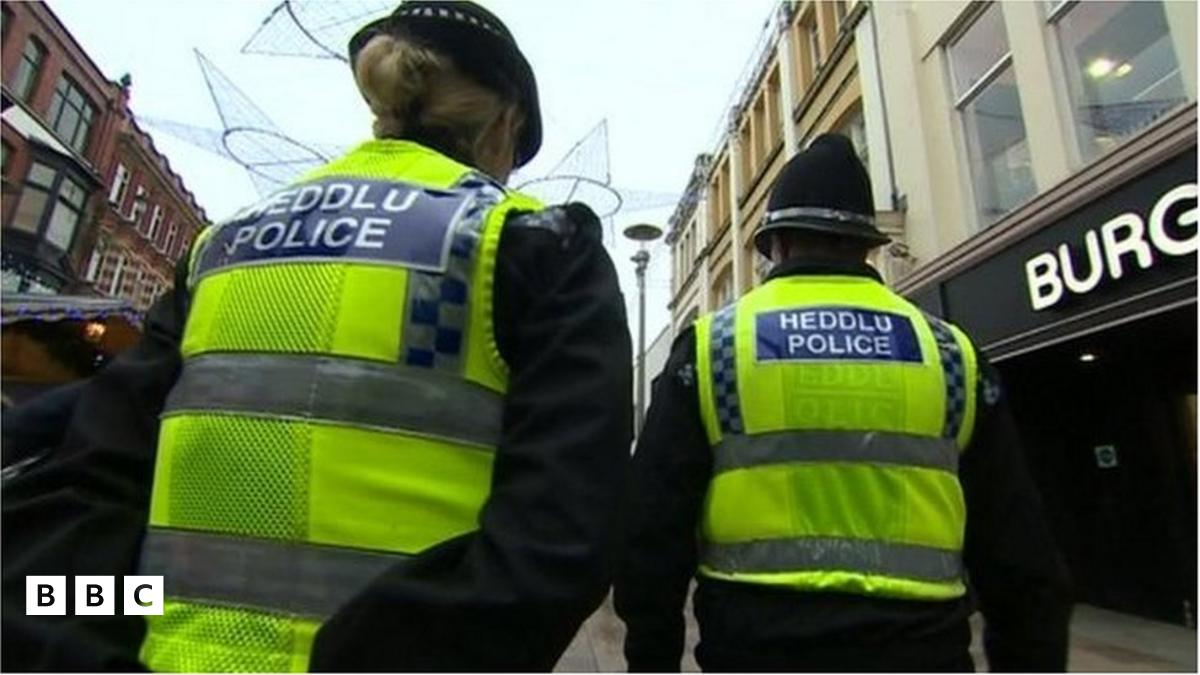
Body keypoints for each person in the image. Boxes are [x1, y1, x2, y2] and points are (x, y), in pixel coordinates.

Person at [2, 2, 632, 671]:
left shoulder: (224, 247)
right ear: (506, 125)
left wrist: (108, 641)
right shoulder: (534, 244)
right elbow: (560, 542)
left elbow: (84, 497)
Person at [614, 134, 1072, 672]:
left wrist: (651, 660)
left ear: (776, 245)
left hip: (756, 652)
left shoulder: (714, 349)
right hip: (922, 654)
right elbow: (1021, 560)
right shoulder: (951, 356)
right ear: (869, 246)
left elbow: (652, 535)